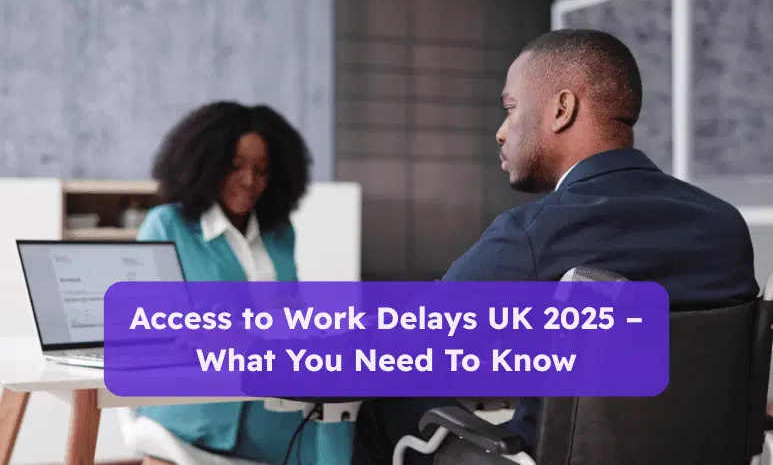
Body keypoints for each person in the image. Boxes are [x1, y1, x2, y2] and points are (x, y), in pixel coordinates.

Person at [351, 29, 759, 464]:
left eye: (511, 108)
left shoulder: (536, 232)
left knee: (387, 402)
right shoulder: (724, 225)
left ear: (562, 109)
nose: (501, 132)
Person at [135, 101, 353, 464]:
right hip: (204, 405)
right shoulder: (167, 226)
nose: (250, 182)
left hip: (272, 390)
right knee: (337, 425)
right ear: (206, 164)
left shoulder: (279, 233)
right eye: (235, 166)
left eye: (262, 170)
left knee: (348, 409)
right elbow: (157, 329)